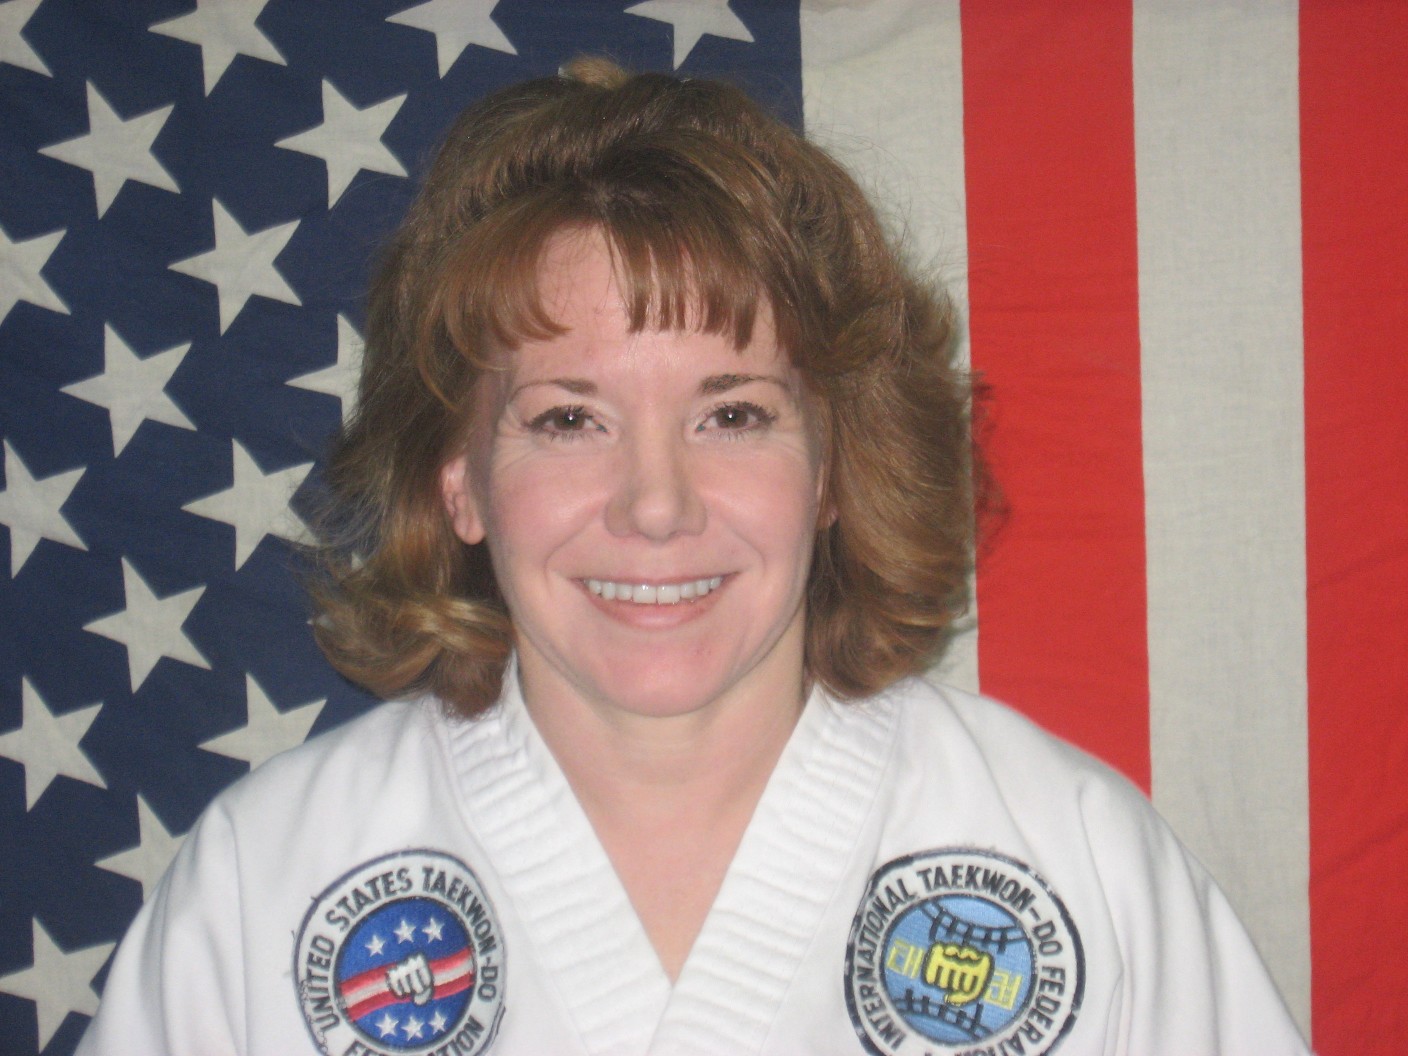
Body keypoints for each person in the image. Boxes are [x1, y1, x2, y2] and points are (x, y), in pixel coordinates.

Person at [78, 58, 1311, 1056]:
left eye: (732, 413)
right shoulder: (270, 882)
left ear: (834, 468)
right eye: (570, 419)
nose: (656, 506)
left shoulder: (1069, 857)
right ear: (458, 479)